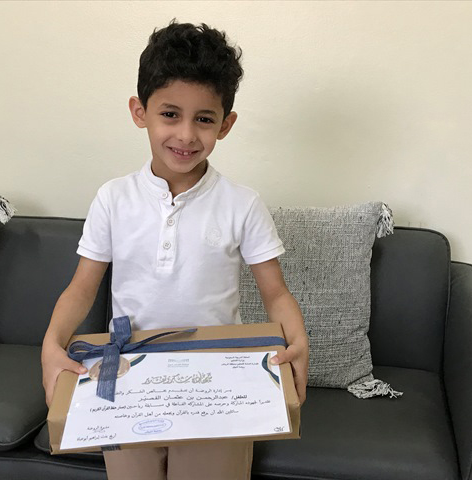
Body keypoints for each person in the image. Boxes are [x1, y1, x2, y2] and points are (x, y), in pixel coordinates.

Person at [41, 20, 309, 480]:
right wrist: (51, 343)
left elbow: (276, 293)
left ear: (225, 125)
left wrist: (298, 339)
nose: (186, 135)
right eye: (170, 114)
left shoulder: (242, 204)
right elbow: (83, 288)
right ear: (139, 111)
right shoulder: (113, 198)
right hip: (126, 378)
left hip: (218, 383)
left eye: (203, 119)